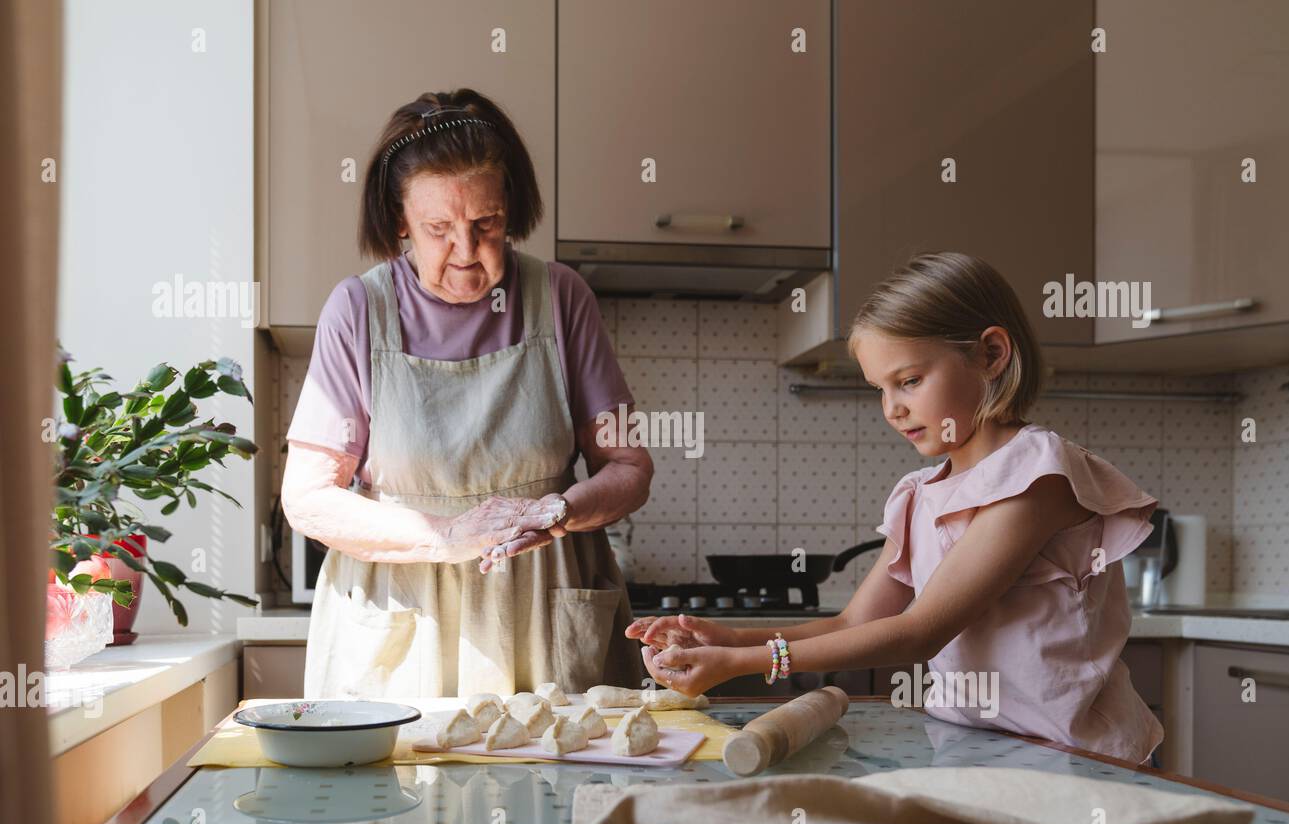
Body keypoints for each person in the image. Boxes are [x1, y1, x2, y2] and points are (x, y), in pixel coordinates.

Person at [629, 252, 1165, 765]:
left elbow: (919, 632)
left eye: (909, 380)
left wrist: (743, 664)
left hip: (1074, 756)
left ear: (991, 354)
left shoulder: (1036, 474)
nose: (893, 408)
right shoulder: (921, 491)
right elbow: (854, 622)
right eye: (879, 388)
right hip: (977, 748)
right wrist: (732, 638)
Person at [281, 89, 651, 699]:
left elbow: (629, 466)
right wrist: (443, 535)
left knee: (554, 787)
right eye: (437, 229)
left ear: (510, 209)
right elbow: (308, 499)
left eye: (487, 224)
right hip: (400, 624)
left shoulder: (561, 298)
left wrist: (562, 511)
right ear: (399, 220)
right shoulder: (359, 310)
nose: (466, 252)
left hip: (543, 618)